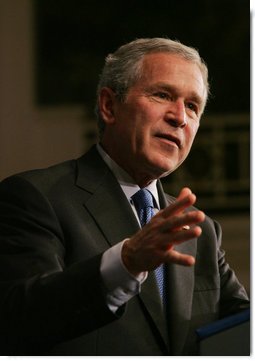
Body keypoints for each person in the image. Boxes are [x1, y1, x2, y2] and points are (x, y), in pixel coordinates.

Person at [0, 37, 249, 356]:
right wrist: (126, 262)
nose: (180, 117)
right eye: (163, 95)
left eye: (192, 106)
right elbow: (20, 320)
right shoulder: (36, 198)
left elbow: (242, 326)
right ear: (109, 106)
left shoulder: (201, 231)